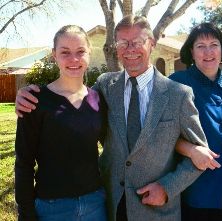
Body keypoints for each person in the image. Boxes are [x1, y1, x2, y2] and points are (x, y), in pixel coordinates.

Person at [15, 15, 207, 221]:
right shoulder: (106, 87)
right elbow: (73, 109)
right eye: (123, 42)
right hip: (109, 205)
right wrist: (23, 93)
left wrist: (168, 188)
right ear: (116, 47)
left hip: (154, 210)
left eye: (138, 42)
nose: (130, 48)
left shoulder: (178, 94)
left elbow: (200, 158)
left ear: (152, 43)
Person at [14, 25, 107, 221]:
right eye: (65, 52)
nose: (73, 59)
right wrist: (26, 213)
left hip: (95, 204)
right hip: (52, 208)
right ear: (54, 55)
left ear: (89, 54)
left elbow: (114, 146)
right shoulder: (35, 101)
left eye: (80, 51)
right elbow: (24, 162)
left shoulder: (98, 99)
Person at [169, 23, 222, 221]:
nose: (208, 52)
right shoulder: (176, 83)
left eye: (214, 44)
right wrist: (191, 150)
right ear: (191, 52)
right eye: (200, 46)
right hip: (197, 187)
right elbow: (163, 134)